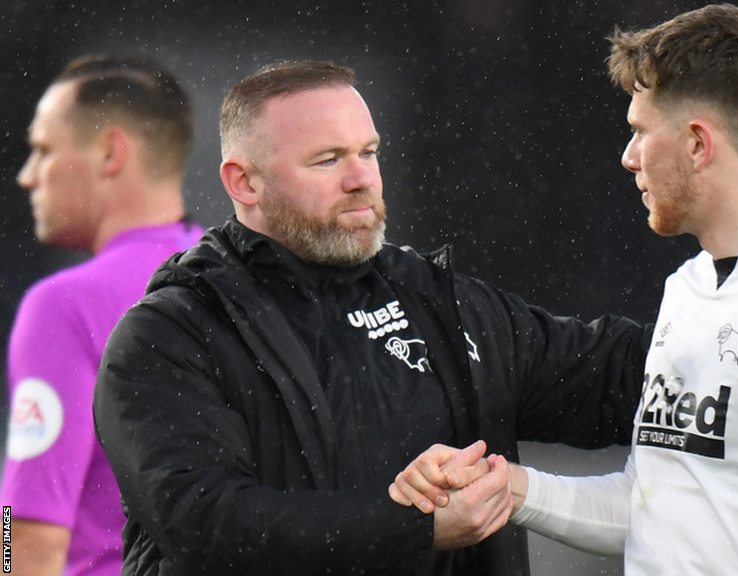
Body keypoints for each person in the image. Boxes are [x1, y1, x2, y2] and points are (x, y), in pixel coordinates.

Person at [391, 4, 738, 575]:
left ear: (697, 144)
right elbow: (655, 507)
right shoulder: (687, 286)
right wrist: (508, 488)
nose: (628, 157)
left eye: (639, 131)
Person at [91, 59, 650, 575]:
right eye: (328, 159)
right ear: (244, 182)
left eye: (370, 152)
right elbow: (208, 523)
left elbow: (619, 380)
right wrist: (414, 524)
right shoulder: (170, 334)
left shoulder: (439, 302)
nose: (361, 178)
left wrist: (731, 301)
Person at [1, 55, 203, 576]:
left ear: (111, 151)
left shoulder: (64, 306)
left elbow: (21, 530)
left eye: (43, 150)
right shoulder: (249, 284)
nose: (27, 177)